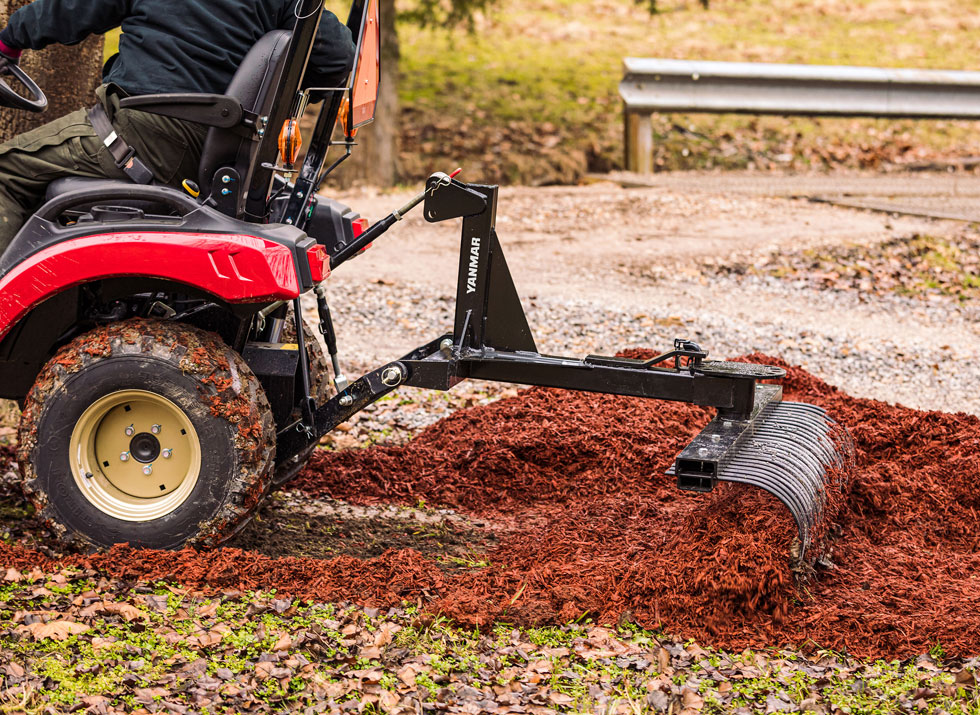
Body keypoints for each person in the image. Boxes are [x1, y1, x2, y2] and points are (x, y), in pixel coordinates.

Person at [0, 0, 356, 249]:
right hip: (225, 150)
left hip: (141, 136)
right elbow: (339, 57)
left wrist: (9, 39)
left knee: (6, 173)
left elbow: (71, 9)